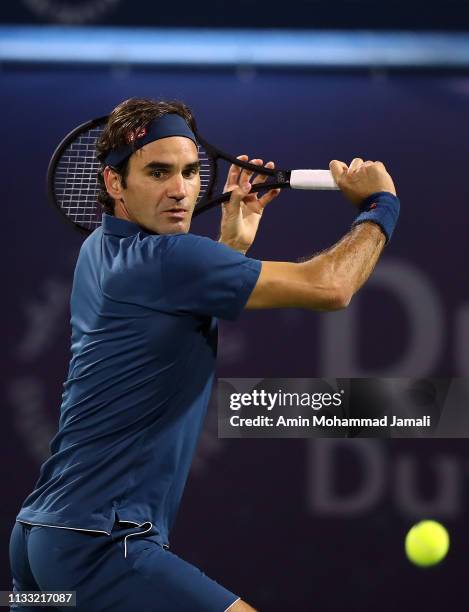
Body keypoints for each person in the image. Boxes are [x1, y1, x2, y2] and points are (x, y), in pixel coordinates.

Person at [9, 97, 399, 612]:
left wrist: (230, 246)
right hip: (101, 543)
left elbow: (168, 316)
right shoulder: (172, 260)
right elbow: (332, 287)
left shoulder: (99, 249)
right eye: (158, 172)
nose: (180, 190)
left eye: (192, 172)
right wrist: (380, 206)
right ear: (112, 183)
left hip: (40, 538)